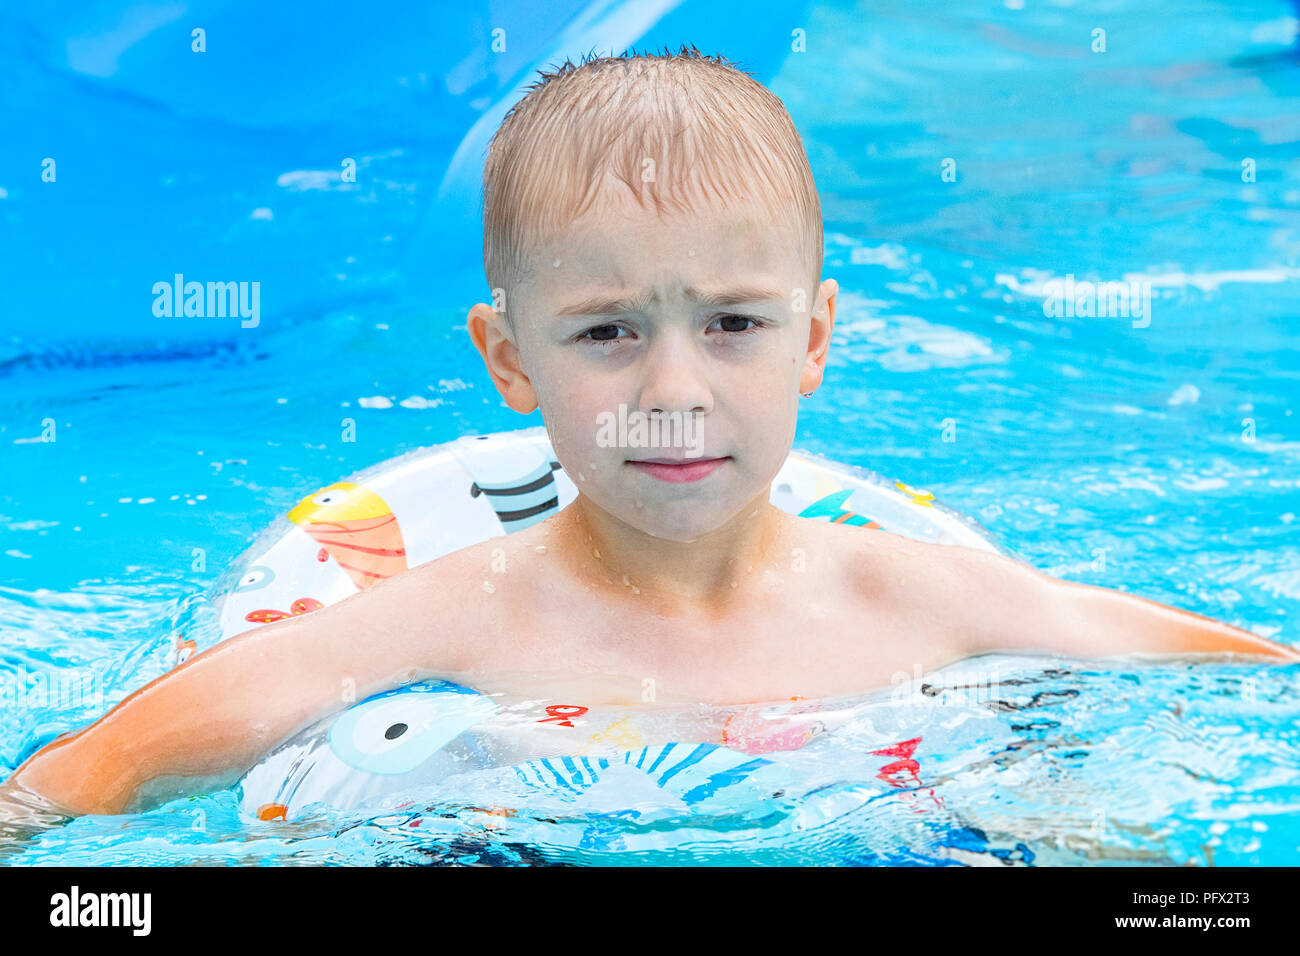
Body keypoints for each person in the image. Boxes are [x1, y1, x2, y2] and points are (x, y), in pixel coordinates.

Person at [2, 47, 1295, 836]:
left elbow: (1219, 669)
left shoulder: (917, 594)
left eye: (733, 323)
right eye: (609, 333)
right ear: (511, 360)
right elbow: (123, 758)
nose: (675, 388)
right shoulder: (459, 619)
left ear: (816, 343)